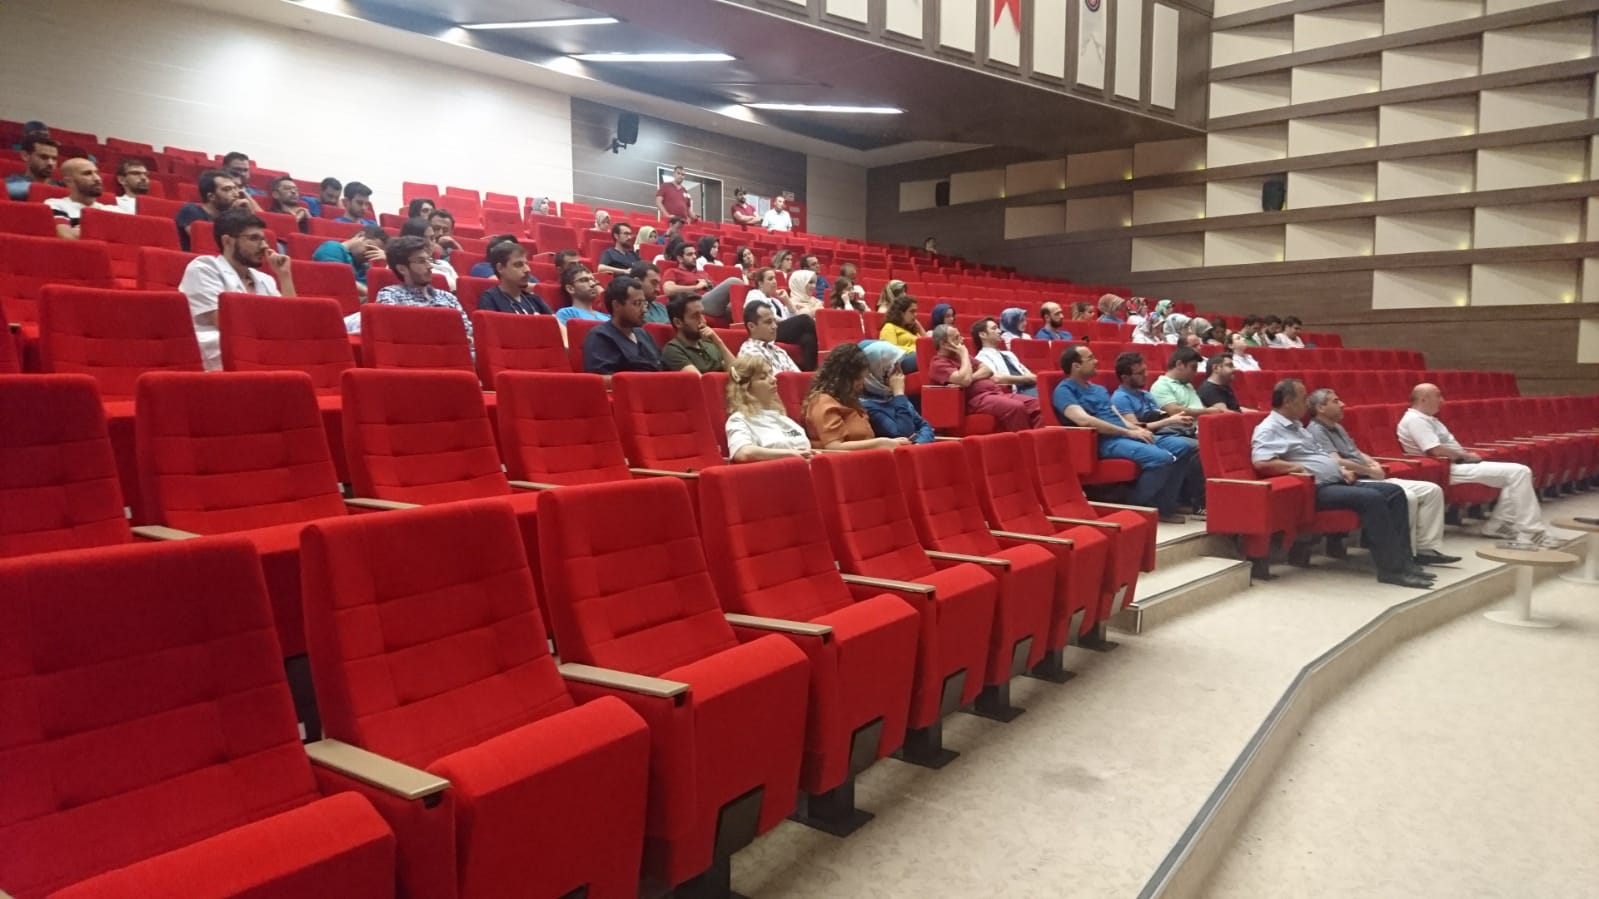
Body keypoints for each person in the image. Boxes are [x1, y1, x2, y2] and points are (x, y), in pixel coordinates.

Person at [1254, 379, 1432, 588]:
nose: (1306, 404)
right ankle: (1391, 571)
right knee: (1372, 499)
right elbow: (1262, 462)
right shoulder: (1269, 428)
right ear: (1287, 402)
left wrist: (1341, 470)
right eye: (1303, 398)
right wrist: (1297, 468)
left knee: (1394, 492)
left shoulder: (1297, 427)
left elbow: (1320, 455)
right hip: (1316, 489)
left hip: (1336, 481)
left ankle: (1405, 563)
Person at [1307, 389, 1460, 566]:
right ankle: (1405, 555)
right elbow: (1336, 461)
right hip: (1354, 479)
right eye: (1335, 401)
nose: (1342, 404)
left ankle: (1425, 549)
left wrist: (1373, 463)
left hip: (1370, 475)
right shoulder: (1316, 430)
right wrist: (1370, 470)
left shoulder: (1337, 427)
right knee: (1408, 497)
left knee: (1432, 491)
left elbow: (1356, 452)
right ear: (1321, 408)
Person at [1398, 383, 1552, 545]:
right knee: (1520, 472)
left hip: (1454, 464)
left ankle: (1498, 525)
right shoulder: (1416, 420)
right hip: (1445, 468)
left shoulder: (1427, 419)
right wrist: (1466, 456)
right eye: (1438, 396)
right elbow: (1435, 450)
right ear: (1423, 399)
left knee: (1517, 476)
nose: (1442, 400)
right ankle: (1531, 531)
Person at [1054, 345, 1191, 522]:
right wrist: (1128, 433)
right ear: (1076, 366)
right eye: (1090, 358)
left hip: (1123, 435)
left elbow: (1116, 416)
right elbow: (1084, 421)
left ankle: (1164, 505)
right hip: (1103, 441)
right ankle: (1136, 505)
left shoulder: (1098, 389)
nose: (1096, 361)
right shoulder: (1064, 390)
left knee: (1182, 447)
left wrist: (1136, 429)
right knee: (1161, 458)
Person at [179, 209, 296, 370]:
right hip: (218, 359)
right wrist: (274, 327)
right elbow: (229, 325)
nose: (264, 246)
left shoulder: (265, 279)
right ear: (227, 241)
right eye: (254, 238)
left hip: (265, 353)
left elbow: (291, 322)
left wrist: (284, 276)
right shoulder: (203, 269)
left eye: (264, 239)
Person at [1111, 352, 1206, 517]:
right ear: (1125, 377)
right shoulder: (1121, 398)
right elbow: (1136, 428)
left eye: (1145, 370)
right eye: (1140, 373)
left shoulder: (1146, 395)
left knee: (1192, 446)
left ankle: (1169, 503)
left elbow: (1158, 417)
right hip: (1139, 439)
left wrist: (1177, 422)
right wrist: (1170, 421)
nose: (1146, 375)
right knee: (1189, 446)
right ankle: (1146, 503)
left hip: (1160, 434)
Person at [927, 323, 1040, 432]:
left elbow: (987, 370)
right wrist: (964, 354)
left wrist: (970, 377)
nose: (962, 340)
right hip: (975, 400)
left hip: (996, 393)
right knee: (1015, 407)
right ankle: (1024, 443)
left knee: (1037, 405)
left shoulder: (962, 358)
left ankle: (1037, 441)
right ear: (943, 344)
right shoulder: (938, 363)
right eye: (956, 338)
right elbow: (964, 380)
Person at [804, 343, 909, 451]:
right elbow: (833, 447)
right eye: (860, 378)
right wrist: (881, 443)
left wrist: (889, 442)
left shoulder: (850, 401)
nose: (862, 383)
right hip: (841, 460)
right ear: (846, 379)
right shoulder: (823, 402)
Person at [723, 355, 814, 462]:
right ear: (745, 387)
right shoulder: (739, 419)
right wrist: (790, 454)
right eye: (763, 377)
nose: (774, 379)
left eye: (771, 373)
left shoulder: (781, 417)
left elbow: (802, 450)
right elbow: (743, 453)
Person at [583, 277, 662, 378]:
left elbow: (662, 368)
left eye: (644, 303)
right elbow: (601, 379)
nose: (644, 310)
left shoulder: (644, 334)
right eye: (637, 303)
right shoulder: (600, 336)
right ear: (616, 305)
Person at [742, 266, 818, 370]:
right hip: (768, 329)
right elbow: (760, 315)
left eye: (775, 278)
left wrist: (787, 300)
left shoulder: (776, 301)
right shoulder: (754, 294)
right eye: (770, 279)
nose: (774, 282)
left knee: (808, 338)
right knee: (804, 319)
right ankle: (823, 337)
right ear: (760, 283)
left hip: (781, 329)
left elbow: (792, 317)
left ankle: (808, 372)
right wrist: (790, 322)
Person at [859, 340, 935, 443]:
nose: (900, 373)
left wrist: (918, 444)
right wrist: (899, 394)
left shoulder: (892, 395)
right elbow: (904, 432)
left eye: (899, 365)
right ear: (876, 370)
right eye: (892, 367)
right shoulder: (867, 405)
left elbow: (925, 426)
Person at [664, 242, 744, 323]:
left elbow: (716, 291)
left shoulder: (702, 273)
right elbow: (669, 290)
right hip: (695, 302)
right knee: (734, 282)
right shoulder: (673, 271)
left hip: (712, 302)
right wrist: (696, 287)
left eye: (695, 254)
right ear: (680, 258)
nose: (694, 257)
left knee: (741, 302)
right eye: (690, 254)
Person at [44, 158, 124, 239]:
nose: (97, 178)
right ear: (69, 181)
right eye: (87, 174)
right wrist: (109, 230)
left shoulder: (115, 210)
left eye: (97, 173)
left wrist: (83, 230)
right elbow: (67, 236)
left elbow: (129, 237)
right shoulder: (56, 205)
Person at [174, 170, 246, 251]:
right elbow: (204, 242)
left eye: (235, 188)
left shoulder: (231, 215)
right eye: (227, 189)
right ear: (211, 196)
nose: (236, 194)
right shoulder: (191, 210)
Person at [477, 239, 553, 315]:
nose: (527, 269)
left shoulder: (535, 299)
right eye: (518, 265)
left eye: (527, 264)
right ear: (500, 268)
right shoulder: (490, 299)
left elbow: (556, 322)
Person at [311, 225, 388, 299]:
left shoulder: (365, 265)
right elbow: (337, 280)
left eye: (375, 251)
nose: (370, 254)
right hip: (338, 299)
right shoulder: (332, 247)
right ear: (360, 235)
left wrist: (388, 260)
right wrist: (374, 295)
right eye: (370, 248)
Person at [1152, 347, 1231, 418]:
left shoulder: (1188, 385)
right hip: (1185, 428)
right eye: (1193, 368)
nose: (1195, 373)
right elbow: (1174, 411)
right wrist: (1207, 411)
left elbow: (1199, 407)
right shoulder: (1161, 385)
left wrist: (1214, 411)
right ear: (1179, 364)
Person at [661, 294, 728, 373]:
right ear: (678, 322)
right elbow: (699, 380)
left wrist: (719, 343)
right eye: (695, 316)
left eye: (702, 314)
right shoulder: (673, 350)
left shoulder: (709, 344)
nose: (703, 321)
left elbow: (738, 373)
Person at [973, 317, 1038, 398]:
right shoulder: (981, 357)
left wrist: (1031, 378)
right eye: (994, 328)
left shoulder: (1009, 354)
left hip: (1031, 387)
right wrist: (1024, 379)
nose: (999, 331)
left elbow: (1027, 373)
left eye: (998, 328)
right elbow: (996, 378)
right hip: (1015, 393)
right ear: (982, 335)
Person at [739, 300, 799, 375]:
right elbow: (770, 380)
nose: (775, 326)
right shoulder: (749, 353)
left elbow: (798, 377)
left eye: (774, 321)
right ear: (751, 326)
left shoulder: (779, 351)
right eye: (768, 322)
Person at [399, 216, 457, 290]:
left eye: (432, 238)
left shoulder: (444, 264)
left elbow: (460, 289)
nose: (429, 244)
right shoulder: (401, 267)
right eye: (422, 239)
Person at [6, 134, 61, 200]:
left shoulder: (63, 185)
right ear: (25, 156)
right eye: (44, 157)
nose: (50, 163)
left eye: (54, 159)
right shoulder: (11, 183)